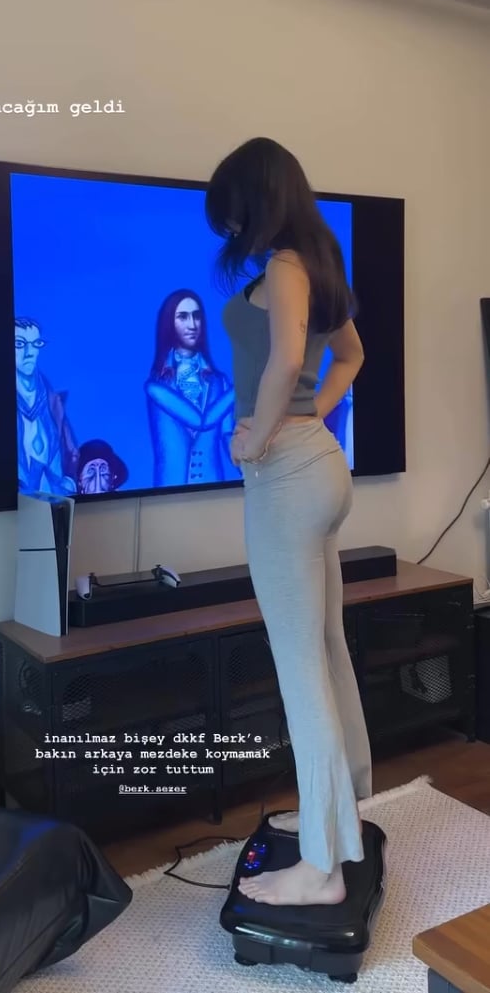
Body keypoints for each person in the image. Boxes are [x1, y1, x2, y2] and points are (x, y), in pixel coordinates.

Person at [205, 137, 370, 907]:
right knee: (325, 647)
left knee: (298, 665)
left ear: (254, 198)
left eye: (231, 211)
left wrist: (256, 436)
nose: (229, 228)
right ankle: (341, 814)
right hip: (321, 467)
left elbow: (285, 358)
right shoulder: (319, 261)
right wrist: (310, 415)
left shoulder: (283, 265)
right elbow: (350, 357)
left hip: (286, 477)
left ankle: (321, 869)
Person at [144, 289, 238, 487]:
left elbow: (227, 436)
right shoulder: (156, 387)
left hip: (214, 492)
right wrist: (243, 385)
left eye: (196, 316)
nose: (192, 325)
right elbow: (201, 421)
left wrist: (253, 472)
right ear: (169, 322)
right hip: (168, 495)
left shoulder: (219, 382)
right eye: (183, 317)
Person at [14, 317, 78, 497]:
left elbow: (71, 449)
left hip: (55, 499)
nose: (29, 353)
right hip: (17, 505)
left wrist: (69, 482)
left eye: (35, 344)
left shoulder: (52, 400)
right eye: (20, 344)